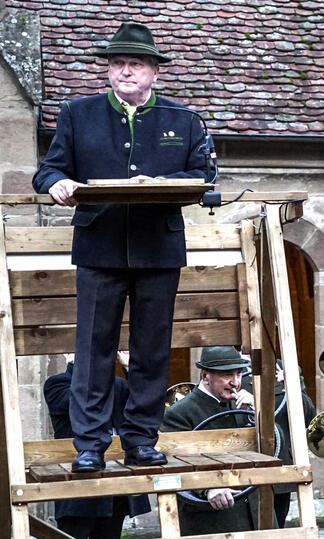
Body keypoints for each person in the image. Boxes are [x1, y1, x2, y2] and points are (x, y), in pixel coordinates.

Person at [32, 21, 208, 473]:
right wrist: (59, 183)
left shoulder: (183, 120)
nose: (125, 71)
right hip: (98, 246)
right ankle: (89, 444)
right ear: (108, 71)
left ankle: (141, 440)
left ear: (153, 72)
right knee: (94, 351)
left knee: (151, 350)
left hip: (158, 249)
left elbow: (204, 179)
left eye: (135, 63)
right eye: (117, 64)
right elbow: (47, 171)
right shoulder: (77, 114)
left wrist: (163, 183)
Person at [40, 352, 150, 539]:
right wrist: (88, 366)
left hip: (112, 483)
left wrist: (130, 368)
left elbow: (142, 407)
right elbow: (79, 404)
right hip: (75, 484)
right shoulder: (57, 384)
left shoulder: (117, 385)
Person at [162, 346, 262, 539]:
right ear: (205, 376)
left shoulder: (243, 408)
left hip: (245, 513)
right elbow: (173, 463)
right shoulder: (182, 413)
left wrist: (257, 415)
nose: (234, 381)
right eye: (226, 376)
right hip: (206, 520)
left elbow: (273, 446)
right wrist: (207, 488)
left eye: (237, 374)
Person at [269, 360, 316, 539]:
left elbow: (308, 416)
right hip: (237, 476)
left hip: (279, 475)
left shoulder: (283, 366)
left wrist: (292, 384)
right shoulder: (226, 363)